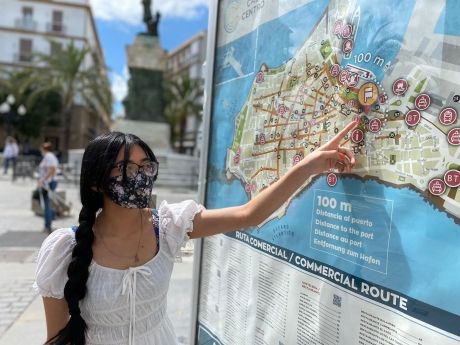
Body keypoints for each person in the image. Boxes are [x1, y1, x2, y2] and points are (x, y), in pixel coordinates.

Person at [34, 123, 357, 345]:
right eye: (125, 169)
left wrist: (307, 167)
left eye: (146, 166)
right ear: (95, 182)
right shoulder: (65, 249)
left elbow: (250, 214)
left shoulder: (170, 225)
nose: (141, 177)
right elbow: (56, 337)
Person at [38, 142, 59, 234]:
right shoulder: (49, 156)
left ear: (43, 149)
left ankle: (48, 226)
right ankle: (48, 224)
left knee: (47, 205)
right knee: (46, 204)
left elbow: (52, 169)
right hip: (47, 183)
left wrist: (43, 180)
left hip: (49, 183)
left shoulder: (49, 156)